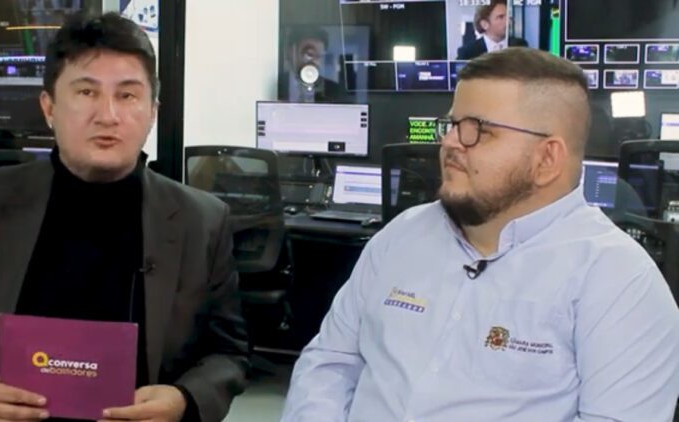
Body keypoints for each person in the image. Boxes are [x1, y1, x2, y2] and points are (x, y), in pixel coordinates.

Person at [281, 47, 679, 421]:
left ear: (547, 158)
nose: (450, 142)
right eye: (453, 125)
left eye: (479, 130)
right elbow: (329, 363)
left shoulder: (619, 280)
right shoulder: (402, 235)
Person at [0, 12, 248, 422]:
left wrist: (184, 400)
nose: (108, 115)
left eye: (127, 95)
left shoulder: (202, 221)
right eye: (87, 92)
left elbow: (227, 353)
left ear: (153, 112)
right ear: (48, 107)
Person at [278, 26, 344, 102]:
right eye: (309, 54)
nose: (316, 62)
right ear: (290, 52)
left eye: (319, 56)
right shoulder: (276, 87)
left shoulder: (335, 91)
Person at [457, 0, 527, 60]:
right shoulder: (468, 52)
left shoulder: (520, 46)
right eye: (501, 17)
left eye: (509, 16)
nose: (508, 21)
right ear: (484, 24)